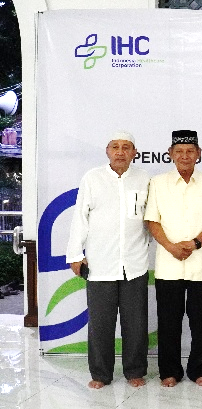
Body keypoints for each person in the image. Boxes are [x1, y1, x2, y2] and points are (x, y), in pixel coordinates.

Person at [66, 131, 150, 389]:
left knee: (136, 323)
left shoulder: (144, 179)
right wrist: (75, 254)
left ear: (134, 152)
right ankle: (101, 374)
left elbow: (151, 218)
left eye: (126, 147)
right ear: (107, 151)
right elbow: (80, 217)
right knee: (100, 324)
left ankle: (135, 371)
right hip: (100, 263)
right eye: (115, 147)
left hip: (135, 263)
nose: (120, 152)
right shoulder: (92, 178)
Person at [144, 130, 202, 387]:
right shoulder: (158, 183)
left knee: (201, 322)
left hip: (201, 264)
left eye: (190, 151)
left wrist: (195, 243)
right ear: (170, 154)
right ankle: (169, 371)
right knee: (168, 322)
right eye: (179, 151)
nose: (185, 156)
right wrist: (170, 246)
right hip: (168, 264)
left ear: (198, 153)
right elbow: (152, 220)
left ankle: (200, 369)